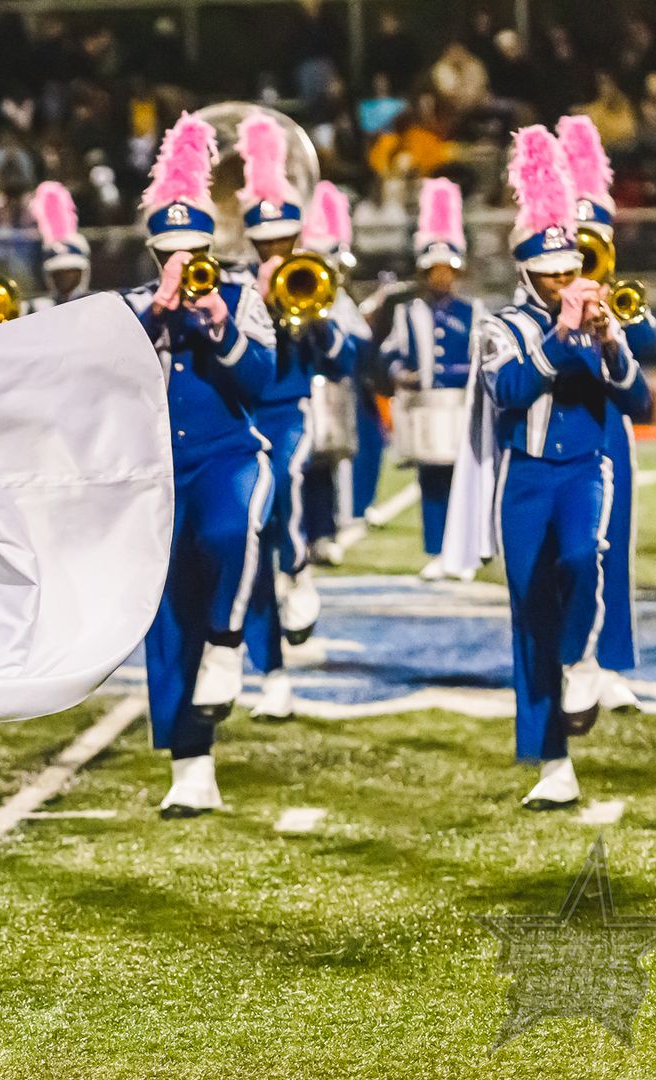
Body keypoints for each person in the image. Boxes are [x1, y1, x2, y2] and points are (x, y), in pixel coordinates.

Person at [481, 126, 648, 810]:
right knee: (530, 614)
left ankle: (584, 658)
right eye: (549, 274)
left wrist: (610, 342)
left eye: (567, 270)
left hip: (583, 470)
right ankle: (553, 760)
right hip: (523, 481)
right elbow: (508, 393)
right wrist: (559, 337)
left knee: (582, 560)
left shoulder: (599, 314)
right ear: (526, 272)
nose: (562, 284)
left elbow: (637, 398)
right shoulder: (503, 325)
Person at [122, 113, 277, 815]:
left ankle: (229, 639)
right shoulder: (131, 310)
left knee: (227, 534)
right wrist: (155, 318)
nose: (185, 268)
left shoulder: (241, 299)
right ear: (155, 255)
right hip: (156, 475)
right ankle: (191, 764)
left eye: (195, 253)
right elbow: (107, 387)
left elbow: (261, 382)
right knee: (168, 613)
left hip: (227, 455)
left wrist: (218, 325)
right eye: (171, 255)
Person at [230, 114, 330, 721]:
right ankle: (271, 674)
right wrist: (258, 308)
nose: (275, 254)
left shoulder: (315, 278)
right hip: (244, 418)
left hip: (290, 411)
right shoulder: (237, 286)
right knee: (253, 537)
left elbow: (347, 358)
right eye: (265, 244)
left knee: (286, 492)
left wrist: (312, 316)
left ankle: (301, 568)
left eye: (283, 243)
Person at [560, 115, 656, 713]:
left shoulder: (621, 295)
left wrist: (613, 319)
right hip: (560, 432)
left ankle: (612, 663)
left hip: (609, 435)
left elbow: (649, 348)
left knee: (613, 548)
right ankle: (575, 661)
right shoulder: (547, 302)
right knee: (571, 555)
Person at [378, 178, 486, 578]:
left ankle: (467, 552)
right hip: (427, 406)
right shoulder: (409, 312)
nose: (441, 277)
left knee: (464, 479)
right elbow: (389, 352)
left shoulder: (473, 311)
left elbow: (486, 353)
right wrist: (398, 373)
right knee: (432, 481)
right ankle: (438, 549)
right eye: (433, 270)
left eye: (447, 269)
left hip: (462, 405)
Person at [292, 182, 373, 568]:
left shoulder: (335, 297)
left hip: (326, 392)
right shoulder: (282, 287)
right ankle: (296, 537)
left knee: (325, 467)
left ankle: (325, 533)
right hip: (293, 393)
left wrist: (321, 322)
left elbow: (355, 345)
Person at [28, 180, 91, 311]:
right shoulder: (38, 308)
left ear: (83, 273)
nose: (64, 278)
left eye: (70, 271)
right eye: (58, 273)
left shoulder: (97, 304)